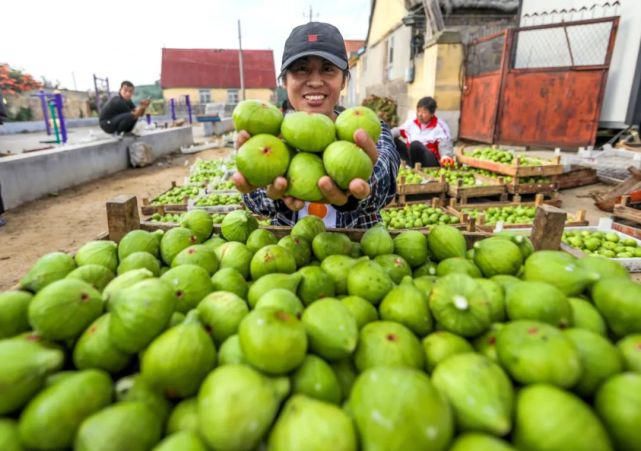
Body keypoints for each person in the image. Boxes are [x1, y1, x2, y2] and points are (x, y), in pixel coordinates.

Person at [232, 22, 400, 229]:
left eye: (328, 70)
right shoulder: (270, 136)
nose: (315, 81)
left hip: (356, 250)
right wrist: (271, 189)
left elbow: (386, 187)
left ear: (344, 81)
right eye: (301, 69)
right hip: (290, 249)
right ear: (284, 81)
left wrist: (355, 191)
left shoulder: (368, 129)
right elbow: (258, 206)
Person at [392, 96, 455, 168]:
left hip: (429, 161)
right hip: (412, 158)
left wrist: (445, 156)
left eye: (424, 112)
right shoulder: (411, 122)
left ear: (432, 114)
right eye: (418, 111)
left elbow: (445, 143)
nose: (420, 115)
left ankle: (414, 170)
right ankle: (412, 167)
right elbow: (398, 130)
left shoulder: (439, 126)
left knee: (415, 145)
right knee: (391, 140)